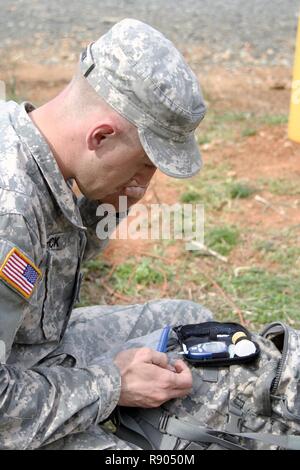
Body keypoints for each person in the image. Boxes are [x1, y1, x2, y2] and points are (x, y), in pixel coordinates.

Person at [0, 18, 210, 450]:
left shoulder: (33, 142)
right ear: (101, 136)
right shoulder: (9, 213)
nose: (141, 185)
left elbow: (51, 265)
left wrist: (109, 203)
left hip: (32, 354)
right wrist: (110, 385)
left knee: (195, 326)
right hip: (11, 403)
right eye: (142, 166)